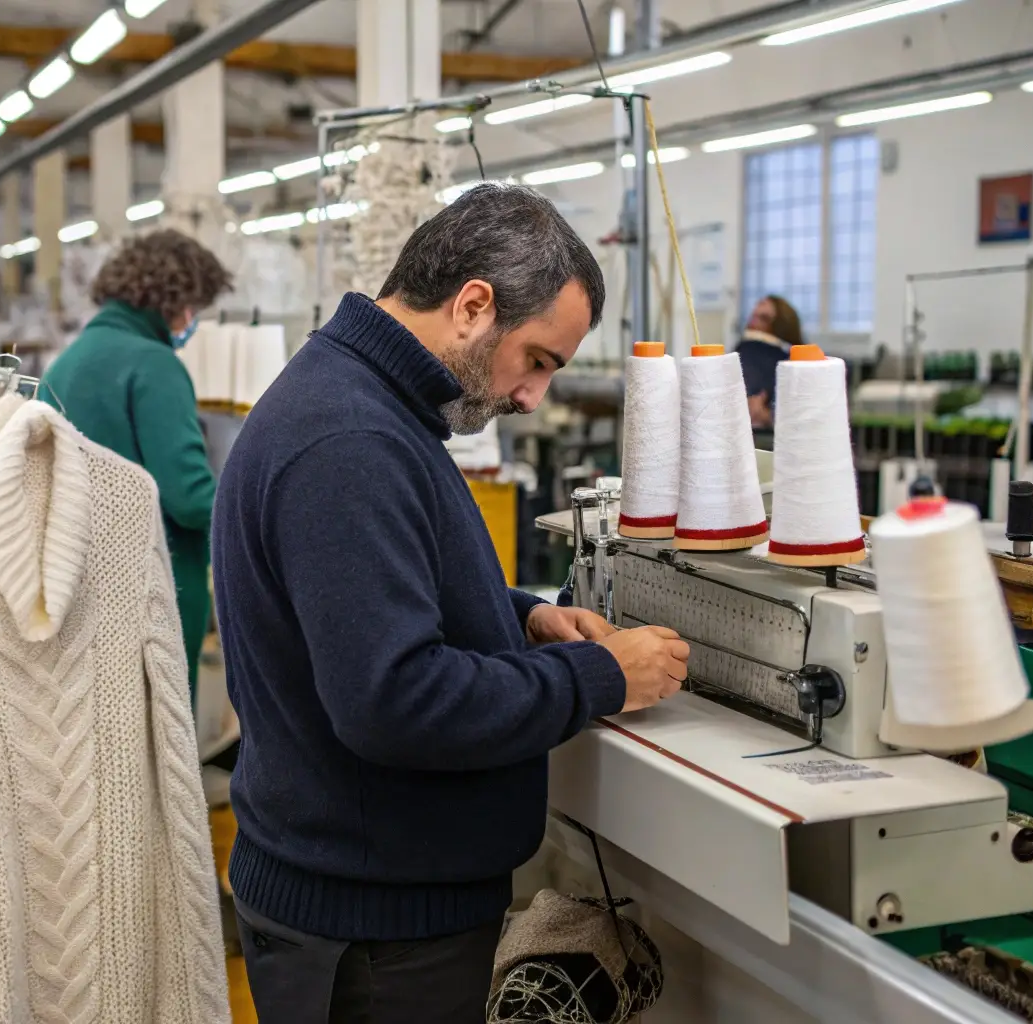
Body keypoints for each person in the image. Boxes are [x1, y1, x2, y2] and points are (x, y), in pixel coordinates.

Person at [212, 182, 691, 1024]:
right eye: (538, 360)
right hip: (372, 939)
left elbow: (363, 594)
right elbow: (395, 703)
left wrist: (520, 616)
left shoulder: (361, 404)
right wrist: (598, 677)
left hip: (365, 906)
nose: (533, 395)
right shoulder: (351, 442)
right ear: (473, 306)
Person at [42, 228, 231, 706]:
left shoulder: (67, 363)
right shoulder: (153, 365)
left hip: (77, 579)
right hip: (150, 587)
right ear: (176, 298)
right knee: (156, 738)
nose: (192, 322)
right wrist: (255, 515)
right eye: (195, 307)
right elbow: (188, 497)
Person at [737, 294, 803, 431]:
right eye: (753, 317)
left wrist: (768, 416)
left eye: (764, 319)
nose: (755, 325)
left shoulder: (795, 363)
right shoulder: (745, 350)